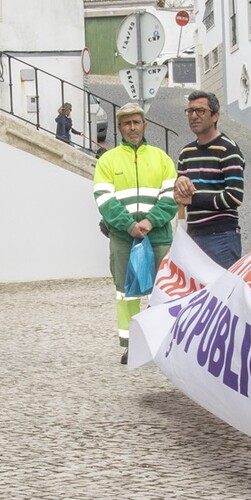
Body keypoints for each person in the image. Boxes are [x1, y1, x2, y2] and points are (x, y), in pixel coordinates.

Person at [92, 102, 177, 354]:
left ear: (145, 125)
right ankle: (132, 347)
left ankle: (161, 344)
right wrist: (129, 226)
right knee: (126, 294)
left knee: (161, 292)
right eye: (127, 123)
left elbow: (171, 197)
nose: (132, 127)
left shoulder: (162, 159)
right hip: (123, 238)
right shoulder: (107, 160)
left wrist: (150, 222)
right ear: (119, 128)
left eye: (136, 122)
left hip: (159, 236)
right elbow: (104, 200)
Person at [172, 90, 245, 269]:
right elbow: (179, 195)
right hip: (193, 236)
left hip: (222, 236)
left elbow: (235, 196)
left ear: (215, 116)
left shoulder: (228, 149)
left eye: (200, 111)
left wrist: (194, 199)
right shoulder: (185, 153)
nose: (194, 116)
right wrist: (178, 185)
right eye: (190, 111)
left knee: (223, 294)